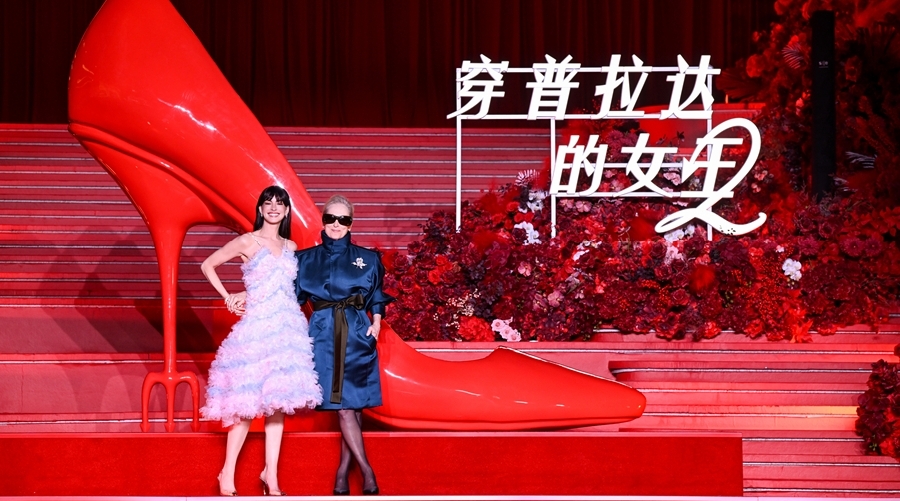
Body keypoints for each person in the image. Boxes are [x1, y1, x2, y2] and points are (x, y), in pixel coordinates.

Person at [199, 186, 323, 496]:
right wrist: (228, 296)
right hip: (257, 328)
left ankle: (271, 474)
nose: (273, 208)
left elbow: (284, 287)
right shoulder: (247, 241)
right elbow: (208, 265)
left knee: (277, 404)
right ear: (261, 209)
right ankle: (227, 472)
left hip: (287, 328)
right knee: (245, 404)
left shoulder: (290, 246)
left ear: (286, 210)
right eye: (268, 203)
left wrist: (247, 292)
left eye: (279, 204)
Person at [296, 195, 394, 496]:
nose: (336, 224)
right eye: (331, 218)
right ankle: (365, 472)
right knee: (343, 407)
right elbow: (290, 299)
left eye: (343, 219)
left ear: (351, 224)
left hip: (357, 334)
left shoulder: (368, 259)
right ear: (323, 221)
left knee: (352, 405)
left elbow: (376, 296)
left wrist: (376, 323)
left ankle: (343, 474)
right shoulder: (304, 260)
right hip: (323, 335)